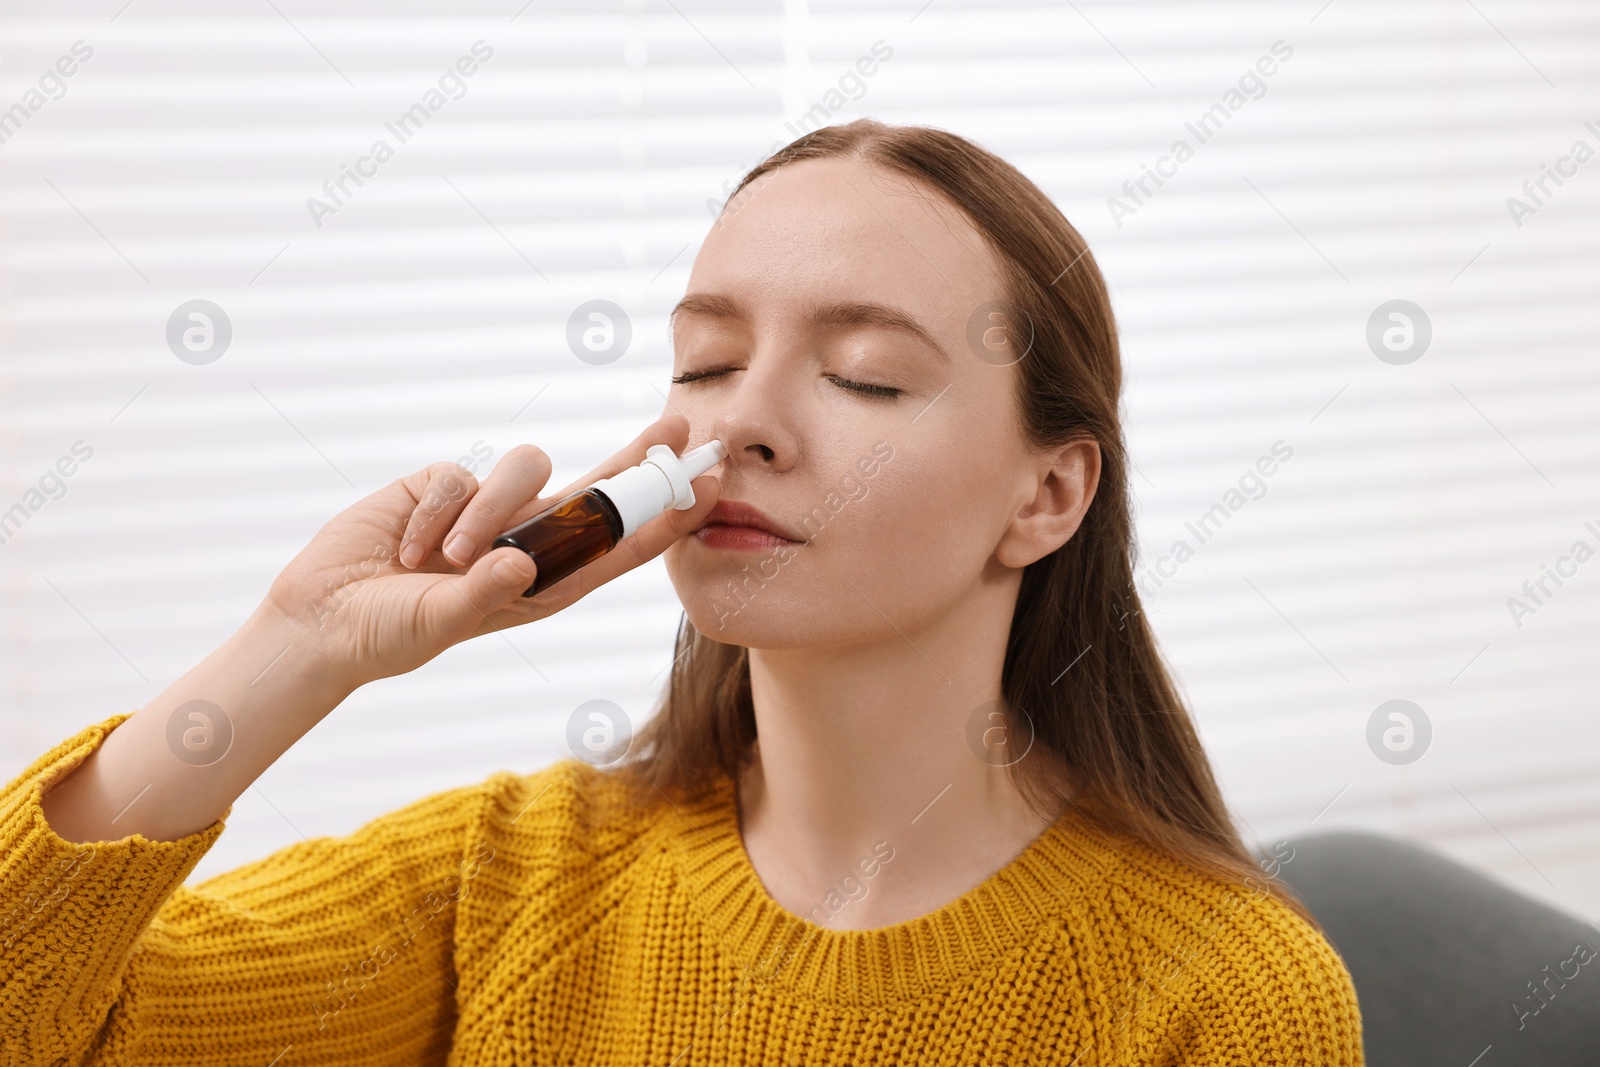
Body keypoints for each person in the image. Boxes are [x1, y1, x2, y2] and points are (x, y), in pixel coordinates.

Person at [2, 118, 1363, 1065]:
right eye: (706, 364)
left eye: (865, 376)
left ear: (1047, 496)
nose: (740, 430)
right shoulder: (509, 886)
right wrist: (297, 648)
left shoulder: (1218, 999)